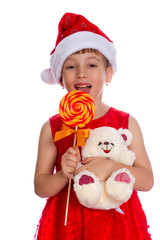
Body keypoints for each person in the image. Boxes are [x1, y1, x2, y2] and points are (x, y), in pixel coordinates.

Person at [34, 12, 153, 240]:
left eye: (91, 64)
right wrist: (63, 175)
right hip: (67, 223)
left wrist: (111, 168)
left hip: (117, 224)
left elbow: (147, 180)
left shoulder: (126, 123)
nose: (81, 73)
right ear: (60, 78)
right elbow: (40, 186)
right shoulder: (52, 128)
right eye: (70, 67)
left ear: (108, 73)